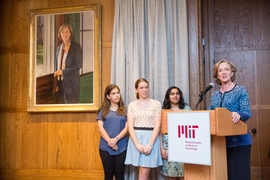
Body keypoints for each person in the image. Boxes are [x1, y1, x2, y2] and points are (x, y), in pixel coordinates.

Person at [208, 59, 252, 180]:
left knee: (238, 176)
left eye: (226, 69)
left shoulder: (240, 90)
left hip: (239, 142)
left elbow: (247, 112)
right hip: (219, 144)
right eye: (220, 70)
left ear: (232, 73)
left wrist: (238, 114)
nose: (223, 72)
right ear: (217, 75)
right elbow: (210, 114)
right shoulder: (214, 95)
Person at [124, 78, 163, 180]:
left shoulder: (156, 104)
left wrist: (150, 144)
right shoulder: (131, 105)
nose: (144, 90)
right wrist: (137, 144)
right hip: (135, 139)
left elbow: (157, 125)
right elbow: (130, 126)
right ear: (136, 89)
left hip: (151, 138)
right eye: (141, 87)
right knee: (141, 172)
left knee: (143, 174)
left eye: (146, 87)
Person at [97, 84, 128, 180]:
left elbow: (127, 128)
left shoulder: (125, 110)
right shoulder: (103, 111)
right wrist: (110, 142)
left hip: (121, 147)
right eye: (113, 93)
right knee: (108, 174)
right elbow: (100, 128)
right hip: (105, 147)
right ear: (108, 96)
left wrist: (115, 139)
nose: (117, 95)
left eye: (118, 92)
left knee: (119, 174)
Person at [160, 86, 191, 180]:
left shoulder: (186, 109)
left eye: (177, 94)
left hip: (184, 146)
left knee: (184, 176)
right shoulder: (163, 111)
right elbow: (160, 131)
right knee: (172, 176)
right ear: (168, 96)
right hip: (169, 147)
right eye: (172, 94)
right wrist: (162, 148)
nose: (175, 96)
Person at [53, 24, 82, 103]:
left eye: (66, 32)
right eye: (62, 32)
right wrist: (55, 83)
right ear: (60, 34)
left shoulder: (76, 47)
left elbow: (78, 64)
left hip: (72, 85)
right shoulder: (58, 48)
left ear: (70, 34)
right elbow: (56, 65)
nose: (64, 34)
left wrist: (63, 71)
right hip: (60, 84)